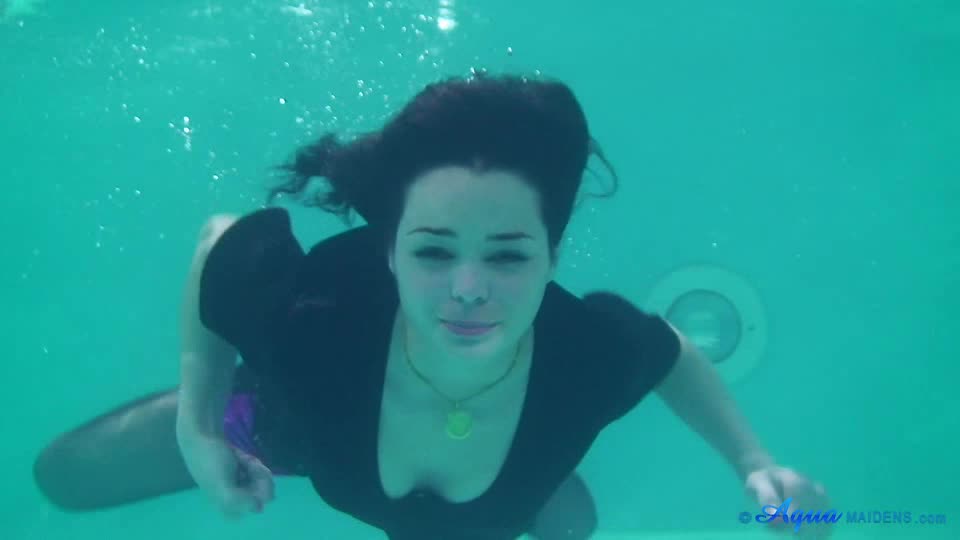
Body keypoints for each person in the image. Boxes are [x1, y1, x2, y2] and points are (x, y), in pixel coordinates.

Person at [32, 73, 832, 539]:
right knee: (68, 477)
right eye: (434, 252)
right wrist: (199, 427)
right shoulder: (313, 322)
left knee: (568, 525)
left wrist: (754, 463)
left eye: (509, 255)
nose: (469, 289)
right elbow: (220, 240)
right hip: (297, 426)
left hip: (513, 479)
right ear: (389, 250)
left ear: (552, 256)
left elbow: (670, 354)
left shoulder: (585, 357)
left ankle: (534, 485)